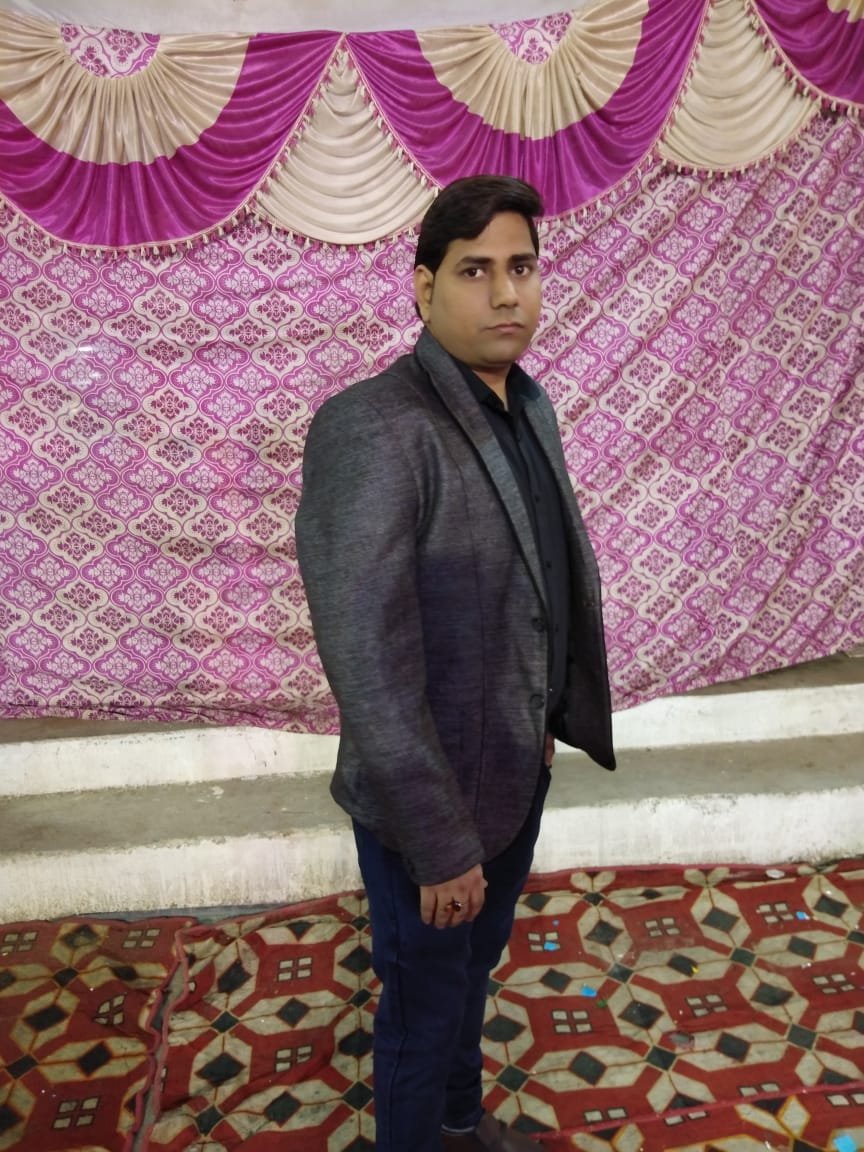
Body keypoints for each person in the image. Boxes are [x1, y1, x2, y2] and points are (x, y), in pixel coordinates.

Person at [295, 175, 615, 1152]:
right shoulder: (374, 426)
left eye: (522, 267)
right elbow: (367, 660)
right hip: (427, 808)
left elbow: (540, 583)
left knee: (470, 975)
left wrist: (546, 723)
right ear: (423, 286)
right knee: (422, 1010)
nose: (506, 293)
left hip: (513, 770)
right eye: (475, 271)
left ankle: (461, 1127)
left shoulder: (530, 408)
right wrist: (438, 844)